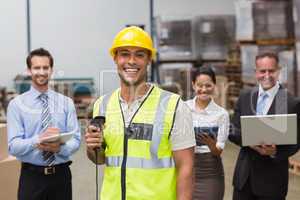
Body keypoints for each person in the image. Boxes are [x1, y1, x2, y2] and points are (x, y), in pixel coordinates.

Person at [85, 26, 195, 200]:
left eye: (139, 55)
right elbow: (99, 159)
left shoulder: (174, 107)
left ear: (149, 59)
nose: (131, 61)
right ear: (115, 58)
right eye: (125, 54)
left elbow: (186, 168)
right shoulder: (102, 105)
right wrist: (92, 147)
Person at [7, 48, 81, 200]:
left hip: (61, 178)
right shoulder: (16, 105)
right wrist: (38, 140)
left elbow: (76, 140)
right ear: (29, 71)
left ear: (51, 70)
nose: (41, 72)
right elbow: (13, 146)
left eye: (45, 67)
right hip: (32, 178)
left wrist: (59, 148)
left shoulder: (66, 103)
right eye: (36, 67)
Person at [229, 51, 300, 200]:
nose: (267, 75)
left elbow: (296, 142)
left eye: (271, 71)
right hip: (244, 179)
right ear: (256, 72)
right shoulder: (245, 96)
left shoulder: (289, 101)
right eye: (262, 71)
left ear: (278, 71)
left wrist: (274, 152)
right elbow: (233, 130)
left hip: (272, 182)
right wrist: (251, 141)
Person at [186, 66, 229, 200]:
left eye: (208, 85)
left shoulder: (221, 114)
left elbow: (218, 151)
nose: (204, 89)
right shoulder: (183, 108)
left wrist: (211, 144)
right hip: (187, 168)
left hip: (210, 170)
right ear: (193, 85)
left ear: (214, 86)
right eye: (199, 85)